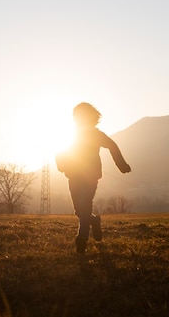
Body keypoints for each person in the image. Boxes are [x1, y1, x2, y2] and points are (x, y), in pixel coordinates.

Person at [56, 102, 131, 253]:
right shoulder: (72, 134)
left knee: (85, 204)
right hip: (74, 176)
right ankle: (95, 221)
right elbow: (60, 151)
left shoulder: (96, 134)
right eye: (76, 117)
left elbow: (112, 145)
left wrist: (121, 164)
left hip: (90, 177)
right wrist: (62, 166)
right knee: (79, 210)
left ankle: (82, 238)